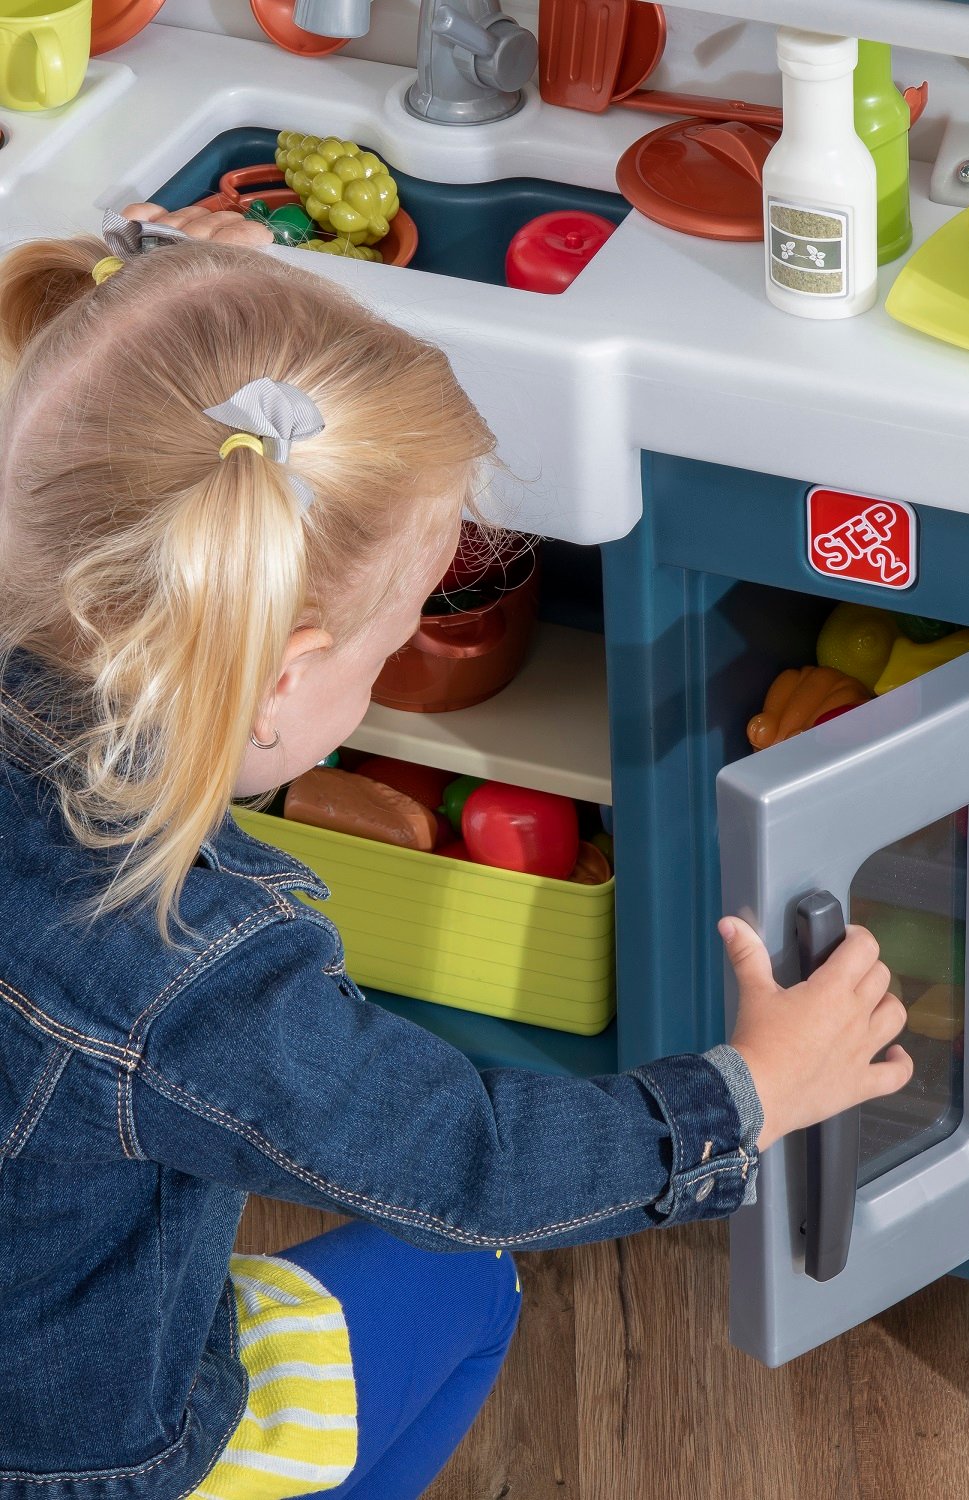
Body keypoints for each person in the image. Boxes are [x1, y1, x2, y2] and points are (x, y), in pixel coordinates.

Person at [0, 206, 912, 1499]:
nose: (381, 678)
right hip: (77, 1459)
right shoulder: (180, 976)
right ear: (285, 679)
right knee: (467, 1287)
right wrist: (752, 1090)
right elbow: (474, 1163)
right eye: (387, 647)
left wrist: (189, 300)